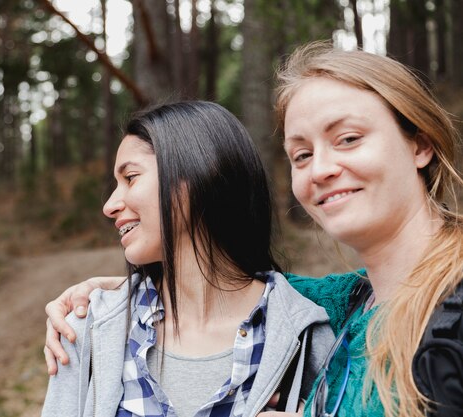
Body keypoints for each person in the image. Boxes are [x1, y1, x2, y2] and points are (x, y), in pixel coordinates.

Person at [43, 42, 463, 417]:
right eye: (301, 155)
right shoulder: (347, 305)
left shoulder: (451, 305)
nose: (320, 168)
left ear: (420, 145)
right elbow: (238, 291)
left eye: (349, 138)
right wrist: (112, 292)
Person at [41, 101, 335, 417]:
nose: (110, 205)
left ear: (197, 174)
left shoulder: (306, 336)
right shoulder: (85, 331)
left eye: (131, 177)